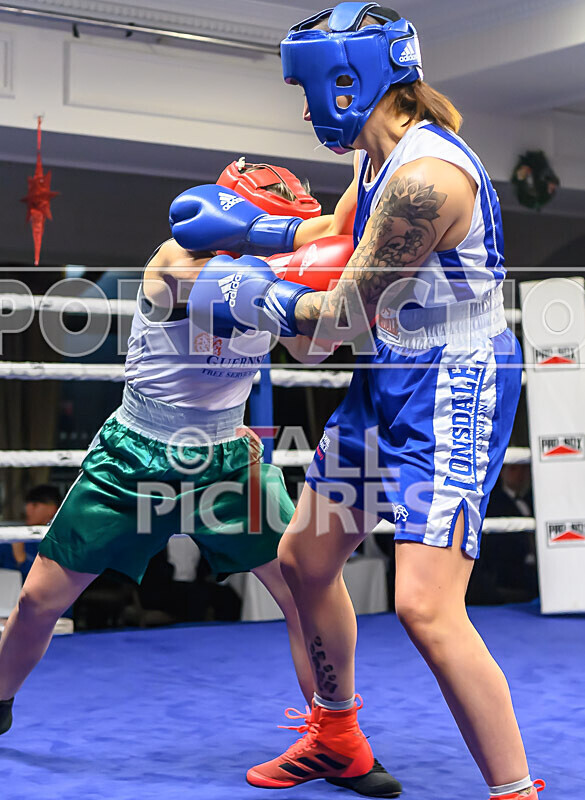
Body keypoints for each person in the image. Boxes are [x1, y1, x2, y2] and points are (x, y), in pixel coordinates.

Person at [167, 4, 545, 799]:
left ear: (352, 81)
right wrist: (251, 233)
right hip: (388, 375)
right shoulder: (375, 161)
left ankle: (516, 792)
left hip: (453, 382)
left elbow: (341, 315)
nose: (305, 111)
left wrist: (242, 291)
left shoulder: (423, 178)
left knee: (425, 609)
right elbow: (336, 229)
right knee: (305, 560)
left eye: (310, 92)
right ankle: (336, 738)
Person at [0, 162, 401, 799]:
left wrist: (361, 198)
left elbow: (310, 348)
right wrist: (311, 256)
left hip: (226, 458)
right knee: (40, 601)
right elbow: (237, 297)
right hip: (138, 454)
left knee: (307, 587)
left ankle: (337, 736)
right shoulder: (177, 258)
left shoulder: (270, 273)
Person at [0, 485, 61, 581]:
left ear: (52, 509)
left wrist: (22, 558)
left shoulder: (60, 540)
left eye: (35, 504)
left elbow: (54, 578)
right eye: (27, 504)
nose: (27, 508)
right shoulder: (13, 535)